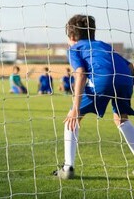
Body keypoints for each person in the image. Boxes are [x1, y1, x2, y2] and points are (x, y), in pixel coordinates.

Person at [53, 14, 134, 179]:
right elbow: (130, 66)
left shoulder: (75, 49)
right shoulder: (104, 45)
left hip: (102, 80)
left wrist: (75, 108)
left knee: (73, 118)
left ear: (72, 36)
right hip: (125, 79)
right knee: (121, 119)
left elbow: (81, 74)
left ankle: (68, 168)